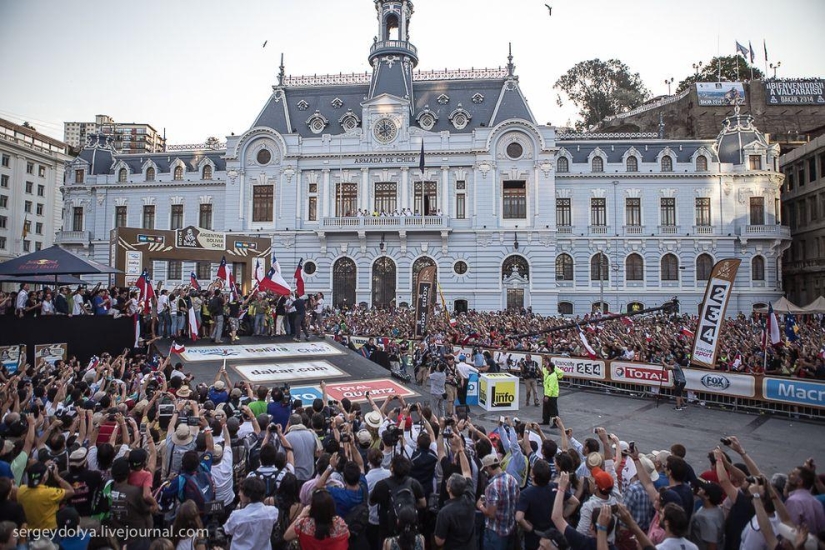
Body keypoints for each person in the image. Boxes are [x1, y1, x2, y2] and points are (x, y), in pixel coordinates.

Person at [477, 453, 519, 550]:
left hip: (495, 532)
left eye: (485, 469)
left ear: (489, 468)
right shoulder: (512, 479)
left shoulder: (493, 486)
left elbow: (491, 514)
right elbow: (516, 503)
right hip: (510, 529)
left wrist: (480, 506)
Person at [17, 461, 75, 530]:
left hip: (30, 532)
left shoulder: (21, 490)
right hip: (49, 532)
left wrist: (41, 467)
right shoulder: (50, 493)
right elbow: (71, 491)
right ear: (44, 478)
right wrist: (57, 477)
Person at [224, 477, 279, 550]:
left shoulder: (236, 516)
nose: (239, 494)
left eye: (241, 491)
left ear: (248, 497)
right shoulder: (272, 512)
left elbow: (227, 530)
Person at [284, 489, 350, 550]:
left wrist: (300, 515)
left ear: (312, 509)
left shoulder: (304, 524)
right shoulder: (340, 524)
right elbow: (348, 535)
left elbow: (286, 536)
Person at [540, 358, 563, 426]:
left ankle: (555, 423)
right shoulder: (550, 374)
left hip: (552, 395)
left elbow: (551, 387)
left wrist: (547, 396)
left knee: (553, 410)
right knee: (546, 408)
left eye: (547, 366)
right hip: (547, 393)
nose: (545, 367)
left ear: (549, 367)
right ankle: (546, 420)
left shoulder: (553, 376)